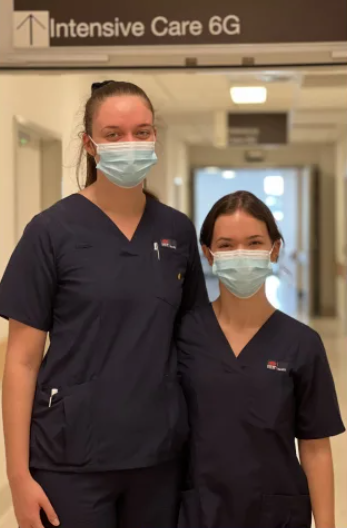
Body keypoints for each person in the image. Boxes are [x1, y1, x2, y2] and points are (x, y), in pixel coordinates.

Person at [0, 80, 208, 528]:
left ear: (155, 138)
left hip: (159, 455)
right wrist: (18, 476)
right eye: (113, 134)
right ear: (89, 145)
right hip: (71, 458)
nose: (129, 144)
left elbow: (192, 343)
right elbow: (20, 360)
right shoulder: (51, 232)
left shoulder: (176, 231)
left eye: (142, 131)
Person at [177, 191, 345, 528]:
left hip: (276, 513)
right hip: (199, 510)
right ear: (208, 255)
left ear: (275, 249)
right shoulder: (183, 334)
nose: (241, 254)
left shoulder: (302, 343)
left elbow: (315, 448)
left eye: (254, 242)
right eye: (226, 245)